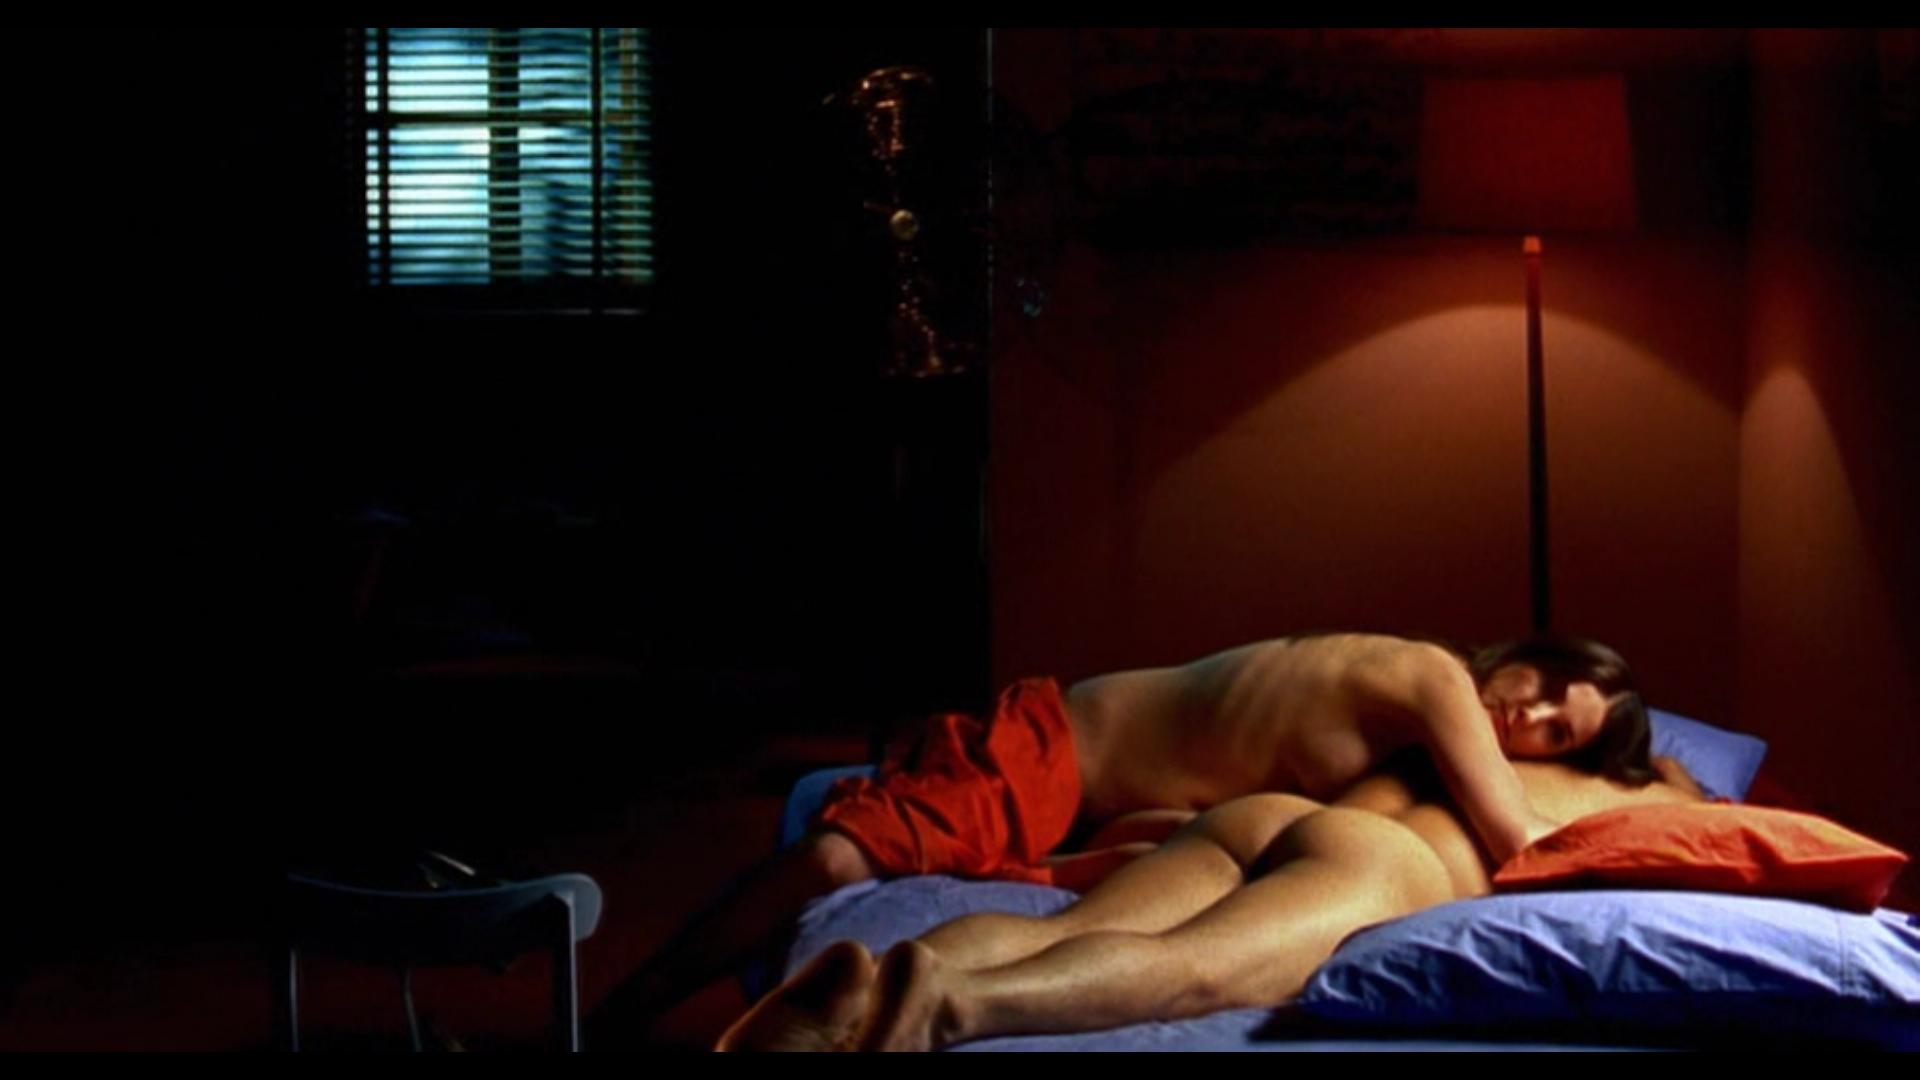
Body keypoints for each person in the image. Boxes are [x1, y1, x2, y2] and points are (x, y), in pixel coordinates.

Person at [590, 632, 1654, 1045]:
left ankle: (861, 993)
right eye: (1544, 688)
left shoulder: (1407, 727)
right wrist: (1664, 803)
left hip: (1134, 804)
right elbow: (1516, 836)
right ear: (1527, 649)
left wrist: (1118, 851)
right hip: (1057, 748)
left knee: (1068, 922)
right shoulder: (1435, 677)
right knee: (834, 858)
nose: (1529, 717)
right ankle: (636, 1002)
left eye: (1556, 731)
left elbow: (1205, 805)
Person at [718, 754, 1703, 1051]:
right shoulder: (1652, 793)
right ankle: (944, 1005)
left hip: (1270, 816)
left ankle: (870, 982)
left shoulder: (1477, 741)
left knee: (1077, 929)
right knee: (1193, 970)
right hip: (1388, 862)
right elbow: (1708, 838)